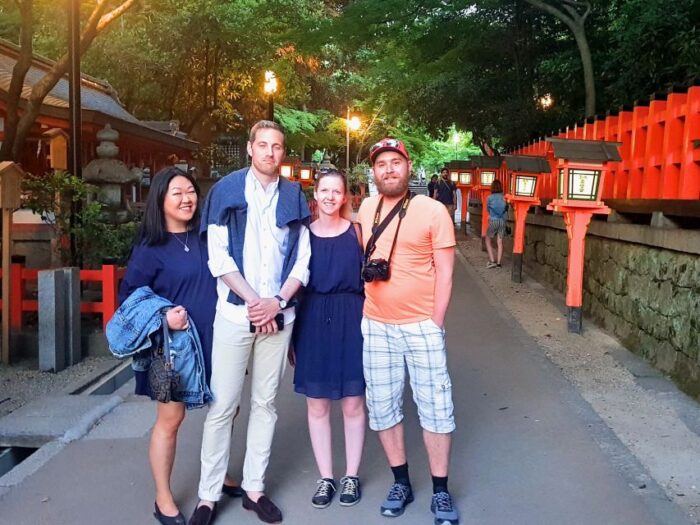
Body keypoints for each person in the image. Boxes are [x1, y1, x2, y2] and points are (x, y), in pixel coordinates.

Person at [189, 120, 311, 525]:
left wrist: (277, 303)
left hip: (280, 314)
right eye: (263, 145)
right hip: (235, 313)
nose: (270, 152)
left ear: (283, 152)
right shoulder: (226, 190)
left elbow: (302, 259)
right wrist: (256, 303)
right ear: (250, 148)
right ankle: (208, 495)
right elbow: (218, 257)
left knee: (265, 403)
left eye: (277, 146)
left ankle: (254, 488)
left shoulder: (293, 195)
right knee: (223, 404)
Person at [357, 138, 459, 525]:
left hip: (421, 326)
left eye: (395, 162)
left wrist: (436, 322)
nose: (388, 169)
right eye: (381, 164)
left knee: (436, 407)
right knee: (382, 406)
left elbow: (445, 273)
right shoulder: (366, 208)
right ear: (374, 171)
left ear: (408, 166)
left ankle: (440, 489)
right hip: (376, 324)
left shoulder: (433, 210)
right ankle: (401, 481)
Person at [116, 167, 216, 525]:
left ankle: (219, 476)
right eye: (178, 193)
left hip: (214, 338)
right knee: (171, 419)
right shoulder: (150, 248)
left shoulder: (206, 236)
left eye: (191, 191)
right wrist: (163, 316)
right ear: (160, 200)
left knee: (225, 411)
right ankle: (163, 498)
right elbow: (128, 300)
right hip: (174, 349)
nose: (187, 198)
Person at [289, 169, 366, 510]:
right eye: (324, 190)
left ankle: (351, 474)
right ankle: (326, 476)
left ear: (345, 196)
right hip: (312, 318)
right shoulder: (302, 234)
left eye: (337, 191)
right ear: (315, 194)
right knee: (317, 404)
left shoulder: (357, 232)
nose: (330, 197)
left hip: (352, 316)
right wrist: (291, 333)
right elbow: (292, 283)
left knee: (353, 402)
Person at [485, 179, 508, 269]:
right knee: (500, 242)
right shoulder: (504, 197)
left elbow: (488, 209)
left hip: (493, 221)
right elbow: (506, 209)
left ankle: (492, 261)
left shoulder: (489, 198)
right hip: (502, 221)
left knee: (487, 239)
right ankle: (499, 263)